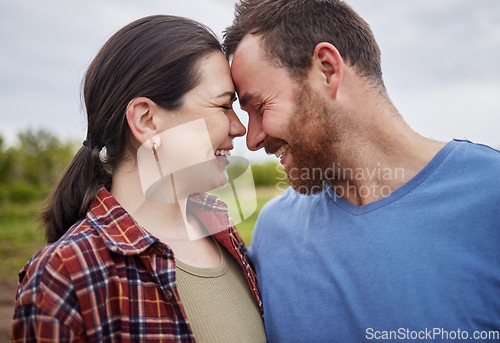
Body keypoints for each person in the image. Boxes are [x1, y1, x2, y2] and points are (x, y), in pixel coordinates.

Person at [223, 0, 500, 342]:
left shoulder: (492, 197)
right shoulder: (272, 234)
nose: (252, 140)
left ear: (327, 69)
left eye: (260, 106)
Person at [11, 15, 266, 342]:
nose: (239, 128)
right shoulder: (65, 275)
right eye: (223, 106)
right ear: (146, 120)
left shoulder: (224, 233)